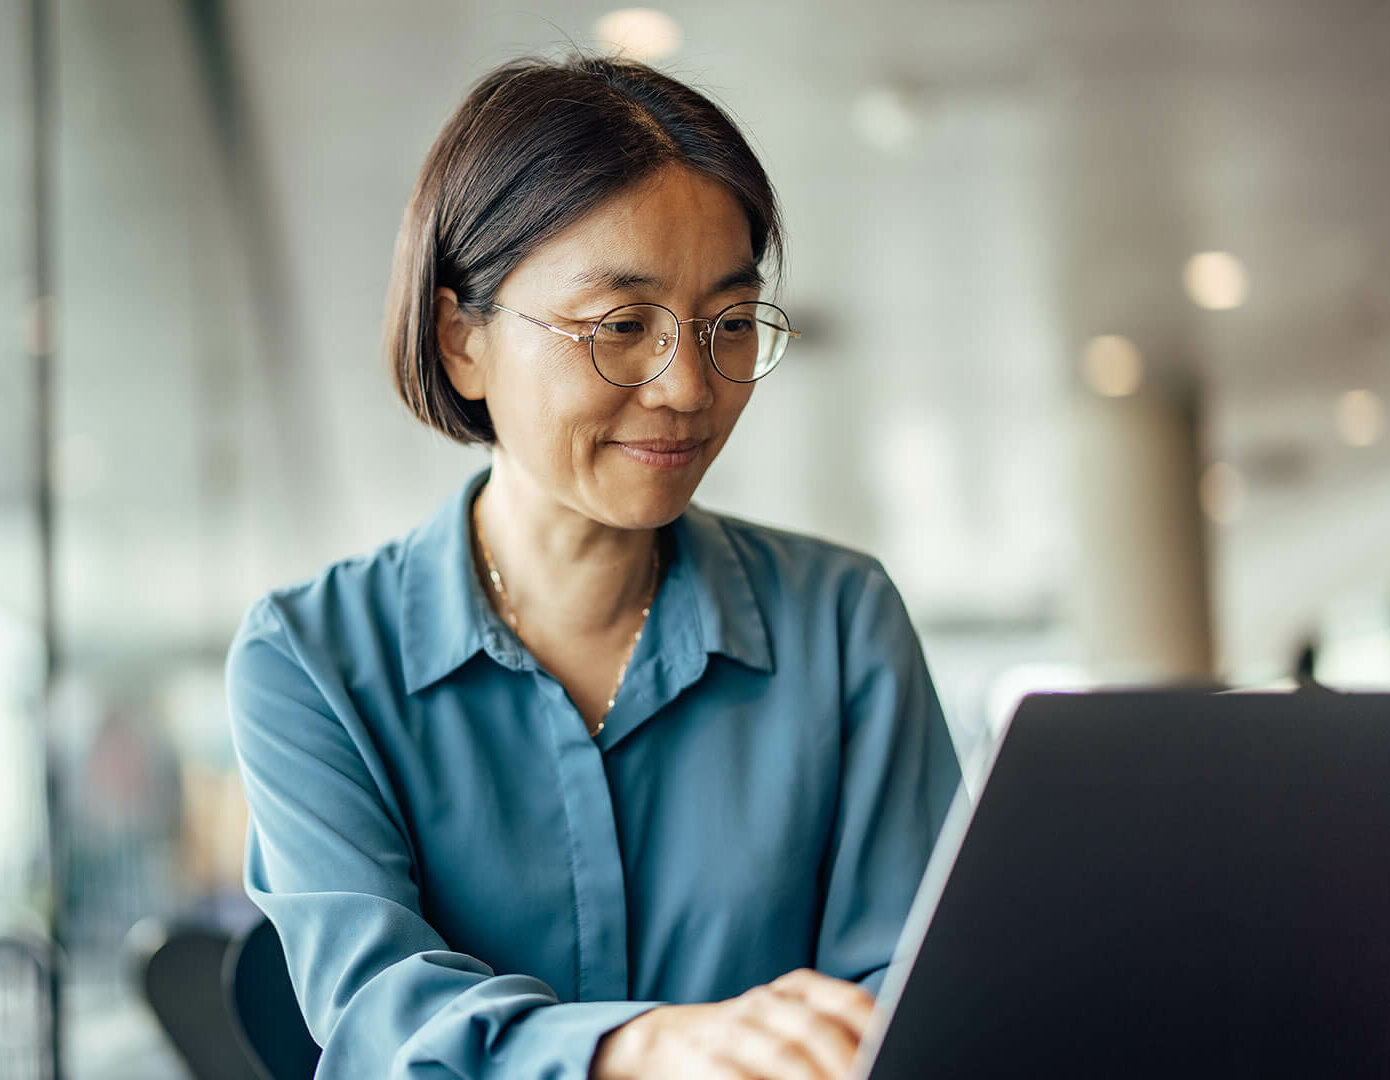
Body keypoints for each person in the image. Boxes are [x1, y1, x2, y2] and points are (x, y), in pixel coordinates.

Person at [226, 54, 962, 1080]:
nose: (687, 387)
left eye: (730, 325)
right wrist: (640, 1048)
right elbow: (377, 1018)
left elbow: (915, 996)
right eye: (622, 327)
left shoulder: (838, 622)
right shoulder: (309, 658)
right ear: (461, 338)